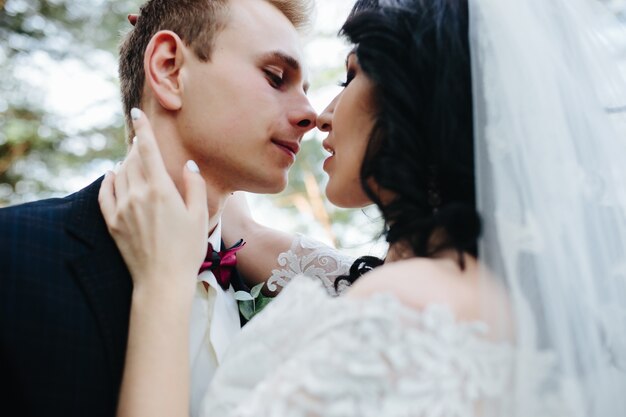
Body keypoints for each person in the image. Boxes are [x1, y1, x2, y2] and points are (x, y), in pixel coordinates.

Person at [101, 0, 626, 416]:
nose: (318, 114)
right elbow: (253, 237)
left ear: (416, 96)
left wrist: (162, 290)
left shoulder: (407, 309)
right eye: (275, 77)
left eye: (349, 77)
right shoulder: (506, 298)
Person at [0, 1, 316, 417]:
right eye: (276, 78)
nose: (311, 114)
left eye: (307, 89)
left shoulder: (291, 299)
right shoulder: (12, 255)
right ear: (169, 69)